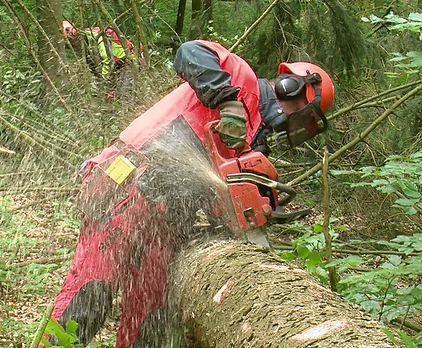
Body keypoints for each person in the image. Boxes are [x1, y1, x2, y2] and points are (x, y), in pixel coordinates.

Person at [45, 39, 335, 348]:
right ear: (292, 88)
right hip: (128, 185)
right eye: (304, 116)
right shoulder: (240, 80)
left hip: (166, 220)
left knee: (150, 315)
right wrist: (226, 100)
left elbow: (213, 190)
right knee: (90, 297)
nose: (297, 125)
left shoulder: (251, 140)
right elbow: (190, 52)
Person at [62, 20, 140, 99]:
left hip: (127, 62)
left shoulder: (96, 35)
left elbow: (108, 60)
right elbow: (94, 69)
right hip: (116, 67)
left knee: (124, 95)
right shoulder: (86, 46)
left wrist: (105, 83)